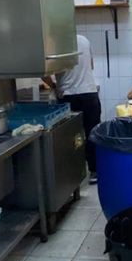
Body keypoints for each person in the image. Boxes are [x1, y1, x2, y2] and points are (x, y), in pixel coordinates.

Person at [43, 34, 101, 185]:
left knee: (71, 136)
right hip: (89, 92)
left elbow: (43, 72)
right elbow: (91, 65)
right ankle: (95, 171)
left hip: (68, 96)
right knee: (92, 133)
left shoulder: (55, 43)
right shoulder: (84, 40)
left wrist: (54, 85)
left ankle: (73, 174)